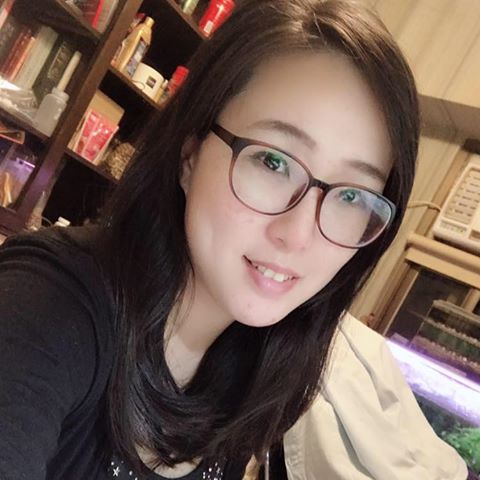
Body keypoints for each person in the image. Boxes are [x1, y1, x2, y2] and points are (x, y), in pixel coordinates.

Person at [0, 0, 420, 479]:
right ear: (190, 154)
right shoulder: (50, 305)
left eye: (352, 196)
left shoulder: (253, 382)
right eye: (273, 162)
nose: (298, 234)